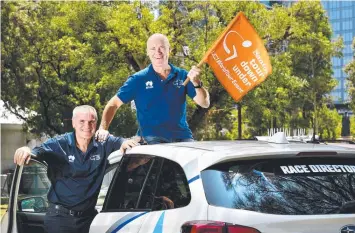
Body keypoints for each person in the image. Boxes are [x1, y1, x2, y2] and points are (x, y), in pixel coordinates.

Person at [13, 105, 139, 233]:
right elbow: (36, 152)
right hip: (60, 219)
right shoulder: (59, 144)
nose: (87, 126)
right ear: (73, 123)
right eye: (82, 121)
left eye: (91, 121)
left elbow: (121, 141)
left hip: (89, 219)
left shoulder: (103, 143)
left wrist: (125, 143)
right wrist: (25, 150)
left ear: (96, 123)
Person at [95, 33, 210, 144]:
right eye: (153, 48)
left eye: (162, 48)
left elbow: (205, 103)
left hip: (182, 137)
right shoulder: (138, 79)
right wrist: (102, 128)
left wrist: (196, 82)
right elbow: (114, 103)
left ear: (169, 50)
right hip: (150, 138)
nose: (157, 52)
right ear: (147, 52)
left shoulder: (183, 75)